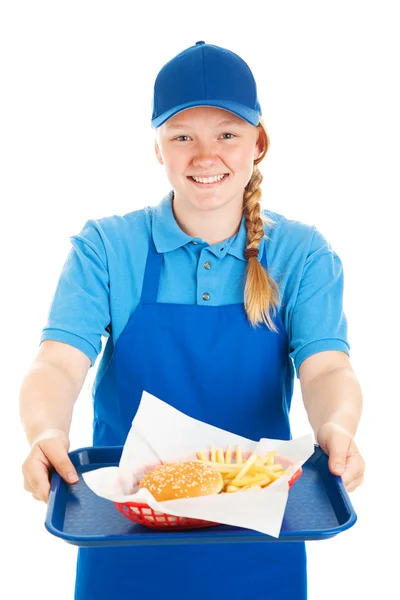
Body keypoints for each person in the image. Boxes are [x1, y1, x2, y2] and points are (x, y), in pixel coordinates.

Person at [19, 41, 365, 599]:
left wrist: (338, 428)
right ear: (158, 149)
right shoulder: (108, 247)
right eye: (182, 136)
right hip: (127, 532)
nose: (206, 156)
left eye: (227, 134)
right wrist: (45, 432)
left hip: (259, 537)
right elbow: (58, 363)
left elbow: (327, 369)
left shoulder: (302, 254)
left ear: (259, 143)